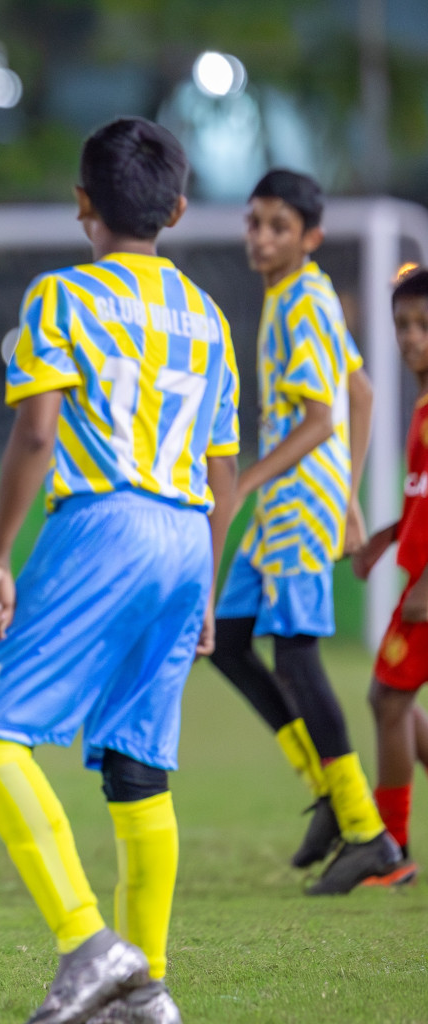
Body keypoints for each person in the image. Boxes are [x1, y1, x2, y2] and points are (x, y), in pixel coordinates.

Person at [0, 117, 239, 1024]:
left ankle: (89, 944)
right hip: (187, 537)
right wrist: (207, 586)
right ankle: (146, 987)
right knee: (136, 763)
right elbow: (221, 469)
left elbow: (36, 432)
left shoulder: (61, 295)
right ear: (179, 208)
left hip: (103, 521)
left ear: (82, 203)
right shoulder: (207, 315)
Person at [206, 169, 403, 894]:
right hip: (298, 502)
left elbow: (322, 416)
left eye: (277, 226)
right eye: (254, 222)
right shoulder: (295, 294)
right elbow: (359, 391)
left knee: (294, 658)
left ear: (308, 237)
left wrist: (249, 480)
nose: (261, 237)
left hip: (291, 505)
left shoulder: (302, 302)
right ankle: (326, 791)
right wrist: (347, 497)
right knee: (226, 640)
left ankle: (366, 832)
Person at [351, 265, 428, 888]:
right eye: (403, 325)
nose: (411, 337)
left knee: (388, 698)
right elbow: (421, 500)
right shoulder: (422, 406)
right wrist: (384, 539)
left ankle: (393, 848)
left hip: (426, 587)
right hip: (415, 575)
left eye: (424, 326)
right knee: (394, 701)